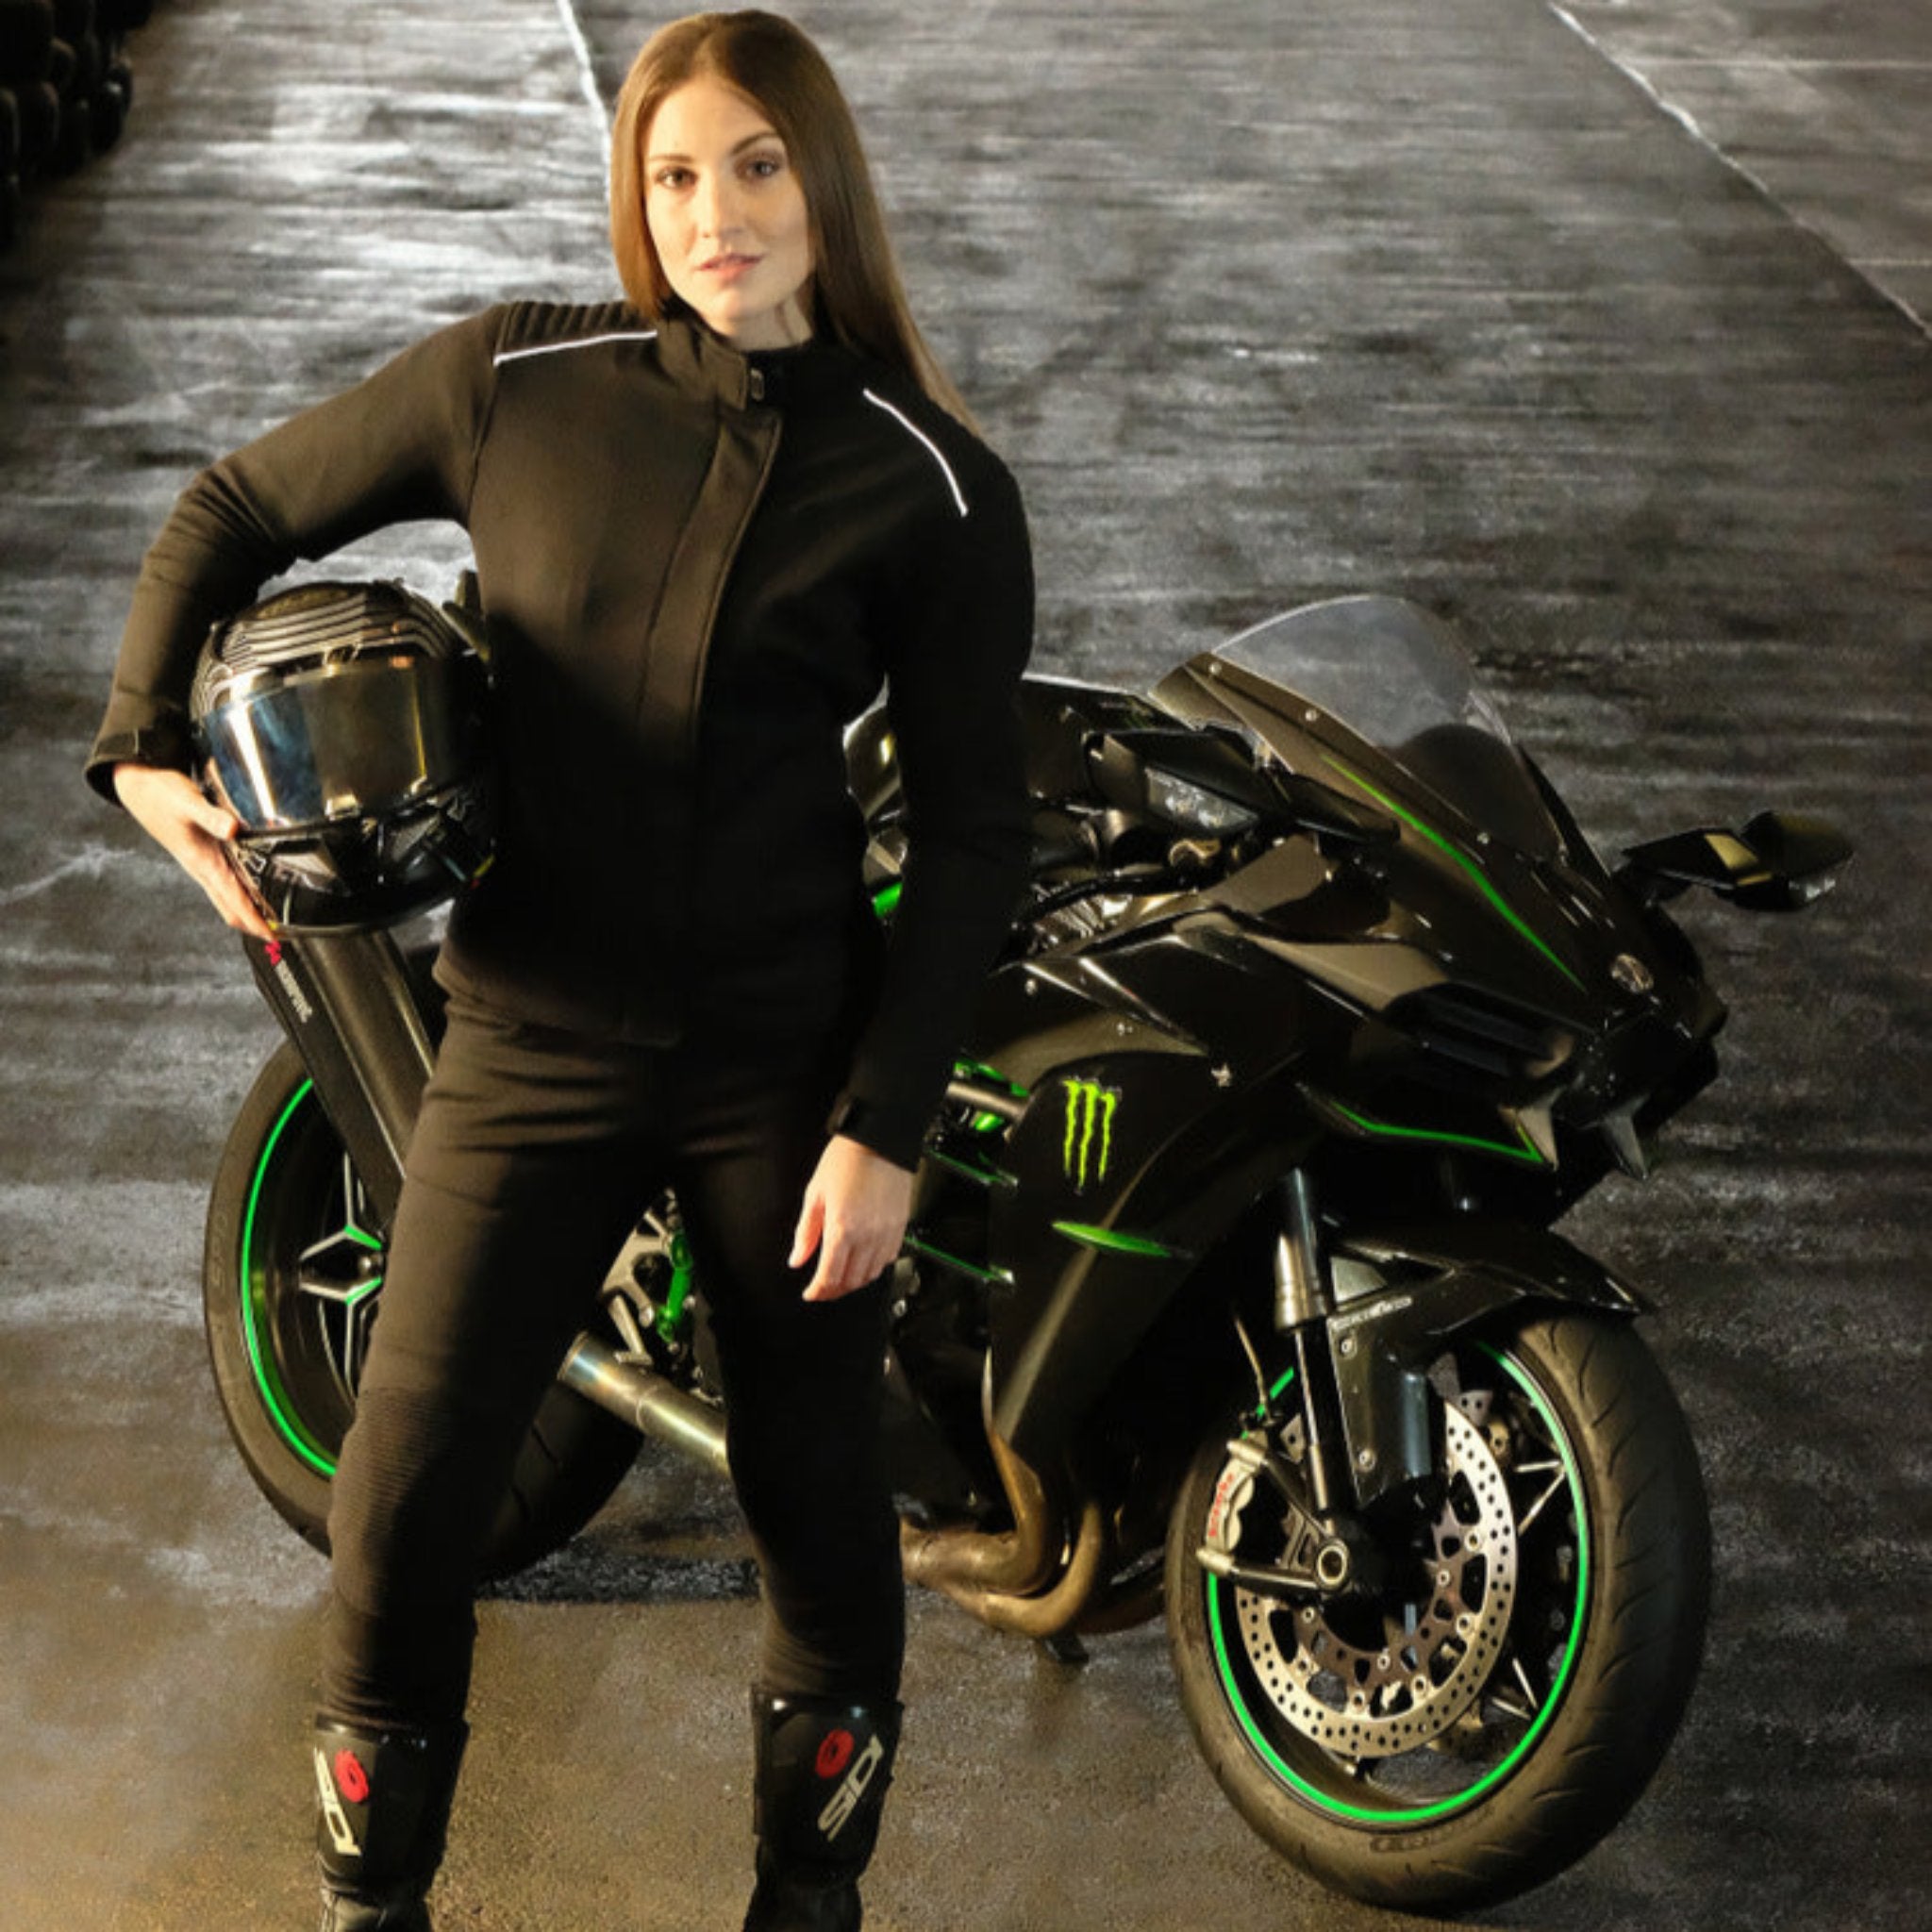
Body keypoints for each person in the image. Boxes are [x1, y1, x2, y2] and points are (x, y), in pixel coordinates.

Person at [84, 11, 1036, 1929]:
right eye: (675, 174)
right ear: (636, 197)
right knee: (403, 1500)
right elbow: (236, 510)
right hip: (527, 1041)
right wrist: (139, 754)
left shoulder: (931, 487)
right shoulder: (519, 379)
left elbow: (971, 842)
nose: (717, 212)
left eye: (756, 164)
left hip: (783, 1059)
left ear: (822, 179)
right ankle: (377, 1910)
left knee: (817, 1508)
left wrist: (888, 1126)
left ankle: (805, 1903)